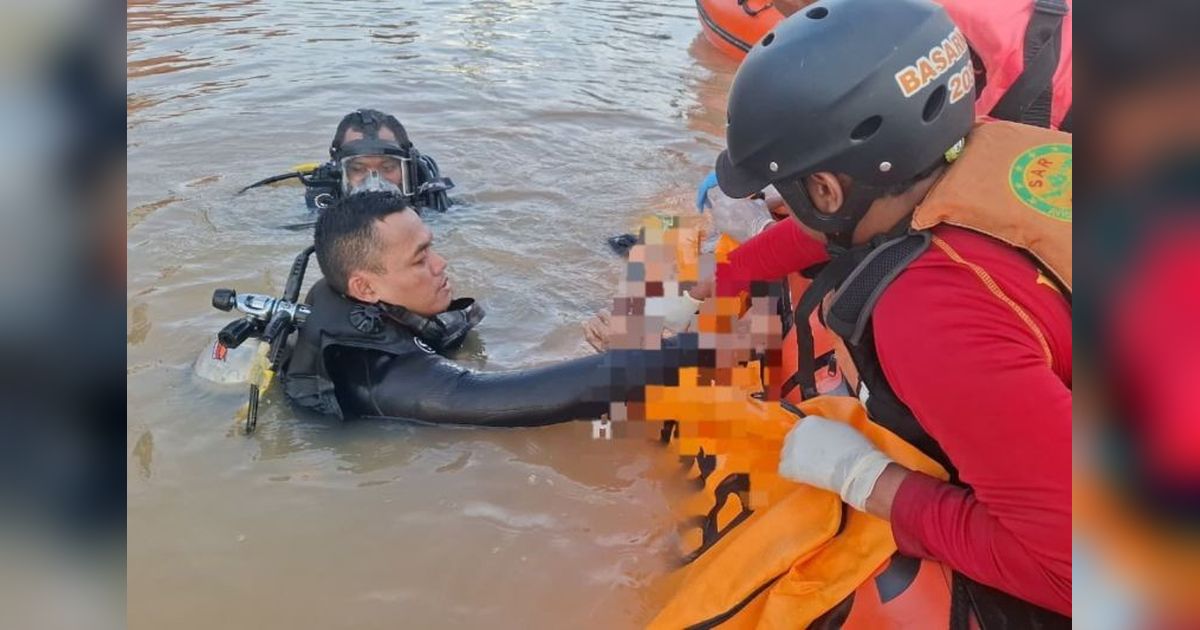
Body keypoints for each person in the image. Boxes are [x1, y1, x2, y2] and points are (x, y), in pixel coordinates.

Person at [710, 0, 1070, 620]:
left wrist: (866, 481)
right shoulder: (1001, 150)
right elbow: (841, 227)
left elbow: (1078, 573)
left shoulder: (929, 314)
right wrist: (726, 275)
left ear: (824, 189)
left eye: (783, 188)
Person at [282, 191, 697, 426]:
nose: (440, 263)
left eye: (431, 246)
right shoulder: (384, 380)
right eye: (419, 258)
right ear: (365, 287)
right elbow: (502, 398)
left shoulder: (351, 298)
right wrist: (662, 354)